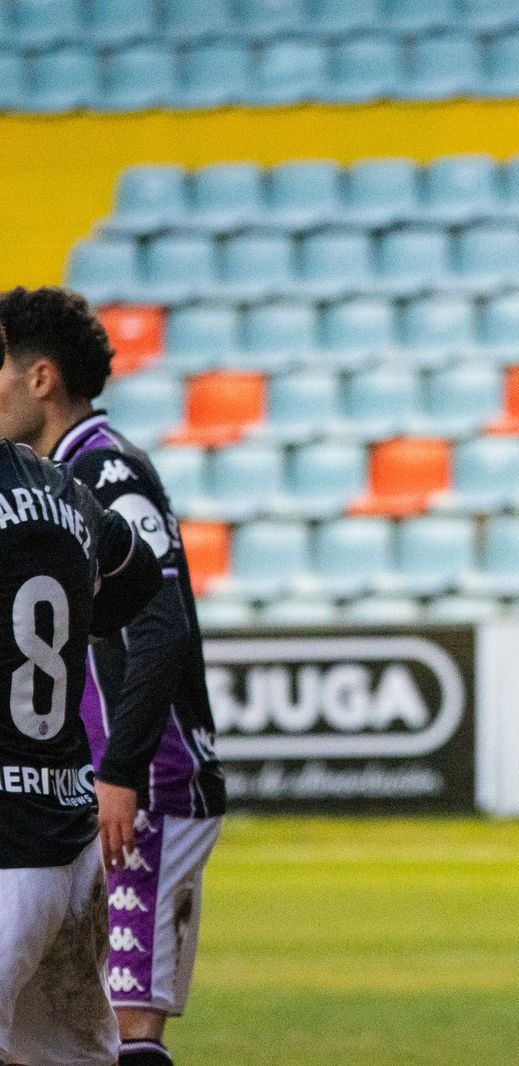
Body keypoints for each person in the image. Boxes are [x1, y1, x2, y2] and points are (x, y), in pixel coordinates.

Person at [0, 288, 227, 1066]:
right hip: (94, 791)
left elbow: (159, 627)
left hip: (146, 782)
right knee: (90, 1030)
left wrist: (124, 768)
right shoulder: (58, 480)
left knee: (131, 1022)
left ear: (40, 378)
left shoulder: (105, 471)